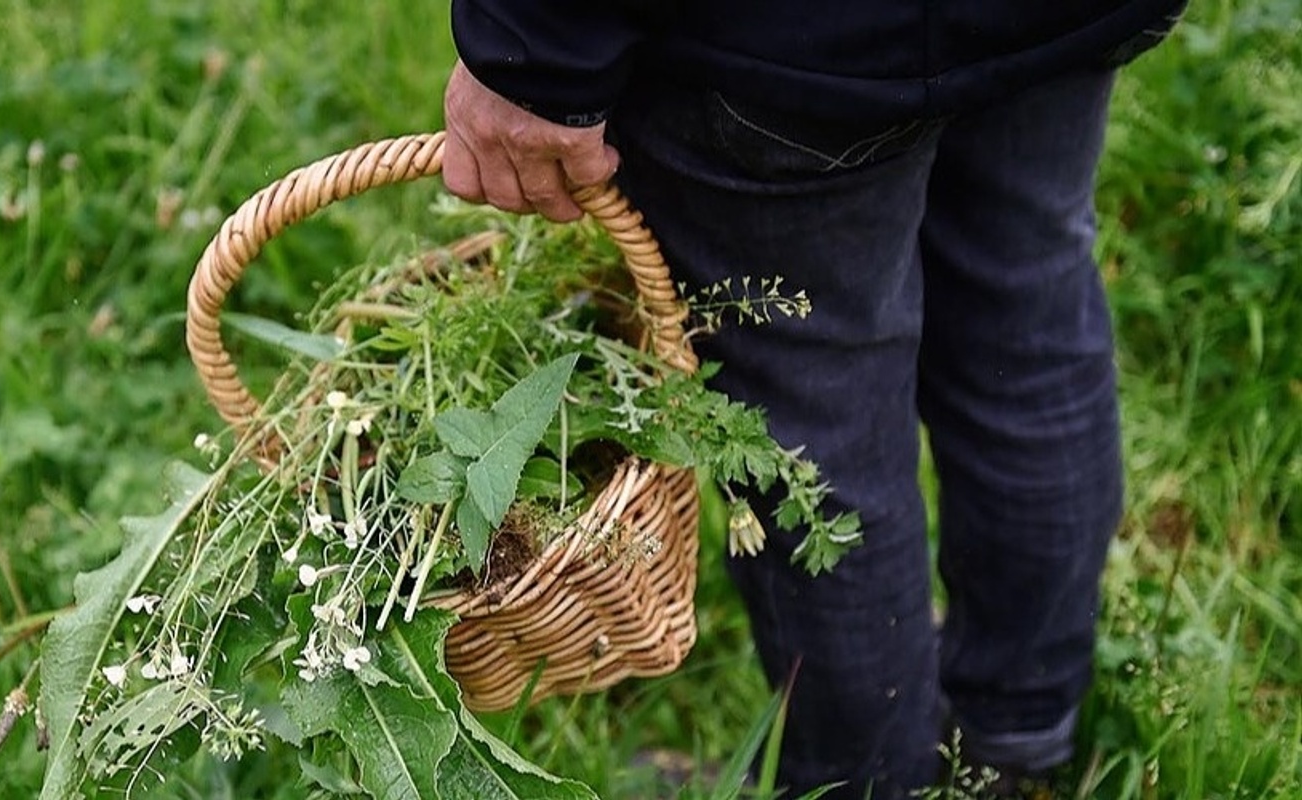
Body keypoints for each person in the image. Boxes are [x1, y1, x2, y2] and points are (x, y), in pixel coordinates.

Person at [441, 2, 1186, 798]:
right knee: (1023, 303)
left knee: (813, 433)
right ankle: (1015, 741)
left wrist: (534, 48)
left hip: (801, 44)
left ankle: (870, 785)